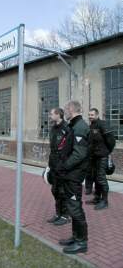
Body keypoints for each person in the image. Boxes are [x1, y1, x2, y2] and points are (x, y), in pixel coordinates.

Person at [57, 101, 89, 254]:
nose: (65, 112)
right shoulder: (74, 126)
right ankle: (76, 237)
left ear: (71, 109)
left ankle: (82, 242)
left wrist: (64, 165)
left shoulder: (80, 127)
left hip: (74, 174)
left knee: (75, 207)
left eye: (66, 110)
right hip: (70, 174)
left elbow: (79, 154)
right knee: (72, 206)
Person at [47, 108, 70, 226]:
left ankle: (65, 215)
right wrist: (49, 165)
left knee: (62, 191)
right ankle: (58, 213)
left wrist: (65, 164)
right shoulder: (53, 128)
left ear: (58, 114)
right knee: (55, 190)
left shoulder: (67, 128)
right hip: (54, 164)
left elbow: (70, 149)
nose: (50, 115)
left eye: (51, 113)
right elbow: (53, 148)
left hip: (63, 165)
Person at [85, 108, 112, 210]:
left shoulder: (102, 124)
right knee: (95, 177)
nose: (90, 116)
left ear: (97, 115)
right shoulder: (91, 126)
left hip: (102, 157)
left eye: (92, 115)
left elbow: (111, 140)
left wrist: (107, 151)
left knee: (101, 178)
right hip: (93, 157)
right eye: (89, 115)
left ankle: (105, 201)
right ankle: (97, 198)